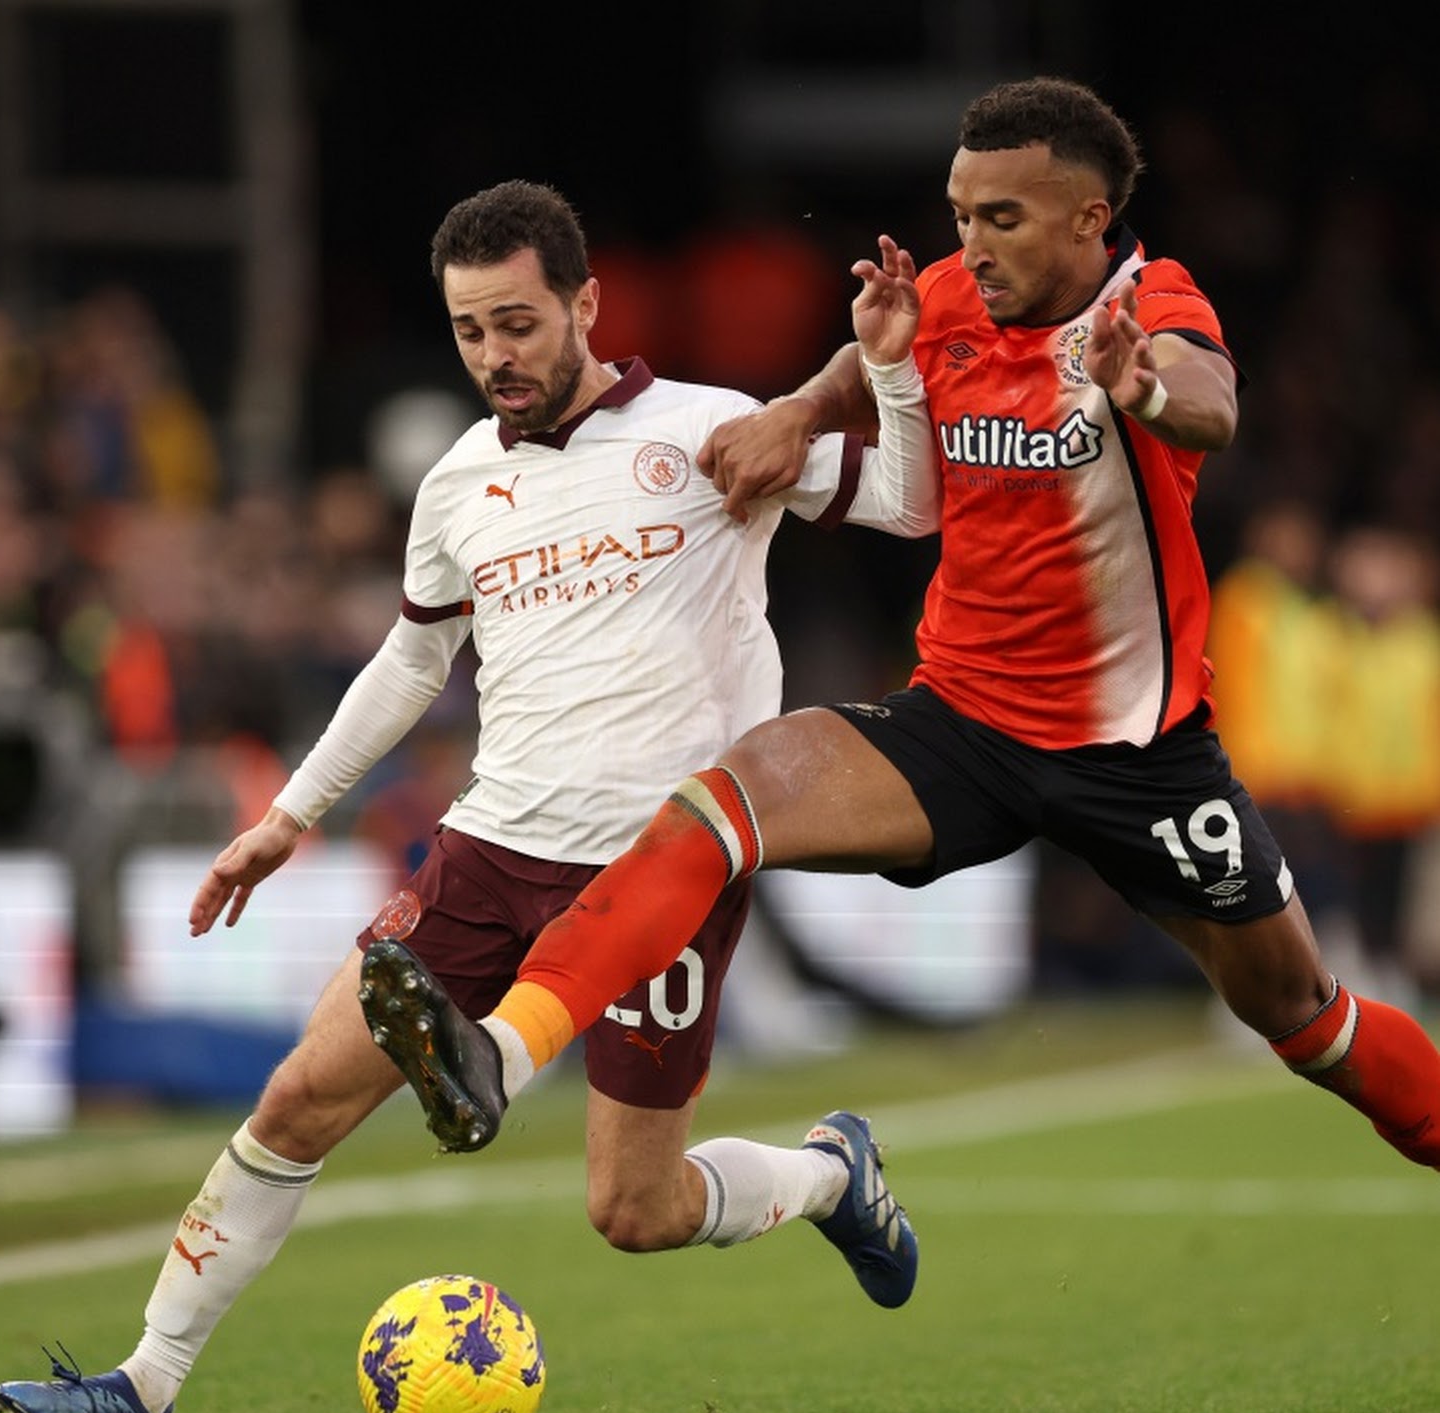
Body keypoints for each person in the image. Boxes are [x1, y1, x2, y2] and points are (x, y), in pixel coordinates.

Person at [0, 179, 932, 1413]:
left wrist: (891, 379)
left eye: (520, 325)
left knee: (635, 1210)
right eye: (470, 331)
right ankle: (142, 1385)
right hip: (487, 855)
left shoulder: (713, 431)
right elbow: (412, 660)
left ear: (586, 305)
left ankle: (831, 1174)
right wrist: (292, 814)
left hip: (664, 865)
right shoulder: (454, 486)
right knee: (296, 1102)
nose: (495, 356)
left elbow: (912, 508)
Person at [386, 79, 1440, 1194]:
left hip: (1136, 752)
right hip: (961, 723)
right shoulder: (947, 295)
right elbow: (875, 364)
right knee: (719, 803)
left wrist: (1148, 391)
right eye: (961, 212)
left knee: (1303, 1018)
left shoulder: (1152, 303)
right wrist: (796, 409)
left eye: (1003, 218)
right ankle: (500, 1049)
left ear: (1089, 218)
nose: (971, 245)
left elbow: (1211, 396)